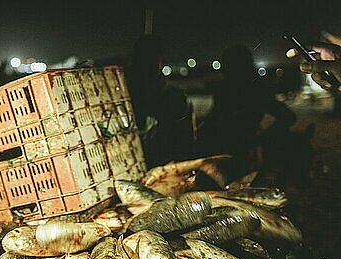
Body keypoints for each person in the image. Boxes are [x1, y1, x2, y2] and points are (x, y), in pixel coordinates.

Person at [197, 44, 297, 180]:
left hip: (235, 152)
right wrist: (263, 137)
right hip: (236, 149)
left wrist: (262, 138)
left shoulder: (229, 89)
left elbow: (288, 117)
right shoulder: (255, 89)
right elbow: (288, 117)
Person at [127, 34, 197, 169]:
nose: (146, 65)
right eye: (143, 59)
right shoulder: (124, 95)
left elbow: (185, 145)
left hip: (163, 171)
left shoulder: (175, 98)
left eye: (151, 59)